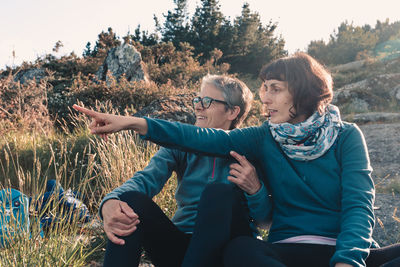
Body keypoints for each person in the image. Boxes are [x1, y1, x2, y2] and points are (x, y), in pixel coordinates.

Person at [74, 53, 400, 267]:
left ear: (300, 92)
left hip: (347, 252)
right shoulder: (263, 136)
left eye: (273, 88)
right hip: (286, 251)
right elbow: (201, 139)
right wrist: (135, 123)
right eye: (263, 89)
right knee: (242, 251)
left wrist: (346, 263)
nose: (264, 97)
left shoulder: (346, 135)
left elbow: (360, 206)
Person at [82, 74, 268, 267]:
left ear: (232, 112)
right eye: (198, 99)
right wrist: (110, 201)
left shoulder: (251, 150)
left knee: (219, 192)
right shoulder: (179, 147)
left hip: (229, 251)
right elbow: (146, 179)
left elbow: (264, 221)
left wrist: (256, 190)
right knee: (130, 200)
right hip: (183, 245)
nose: (198, 106)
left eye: (207, 101)